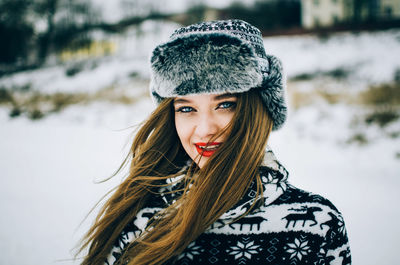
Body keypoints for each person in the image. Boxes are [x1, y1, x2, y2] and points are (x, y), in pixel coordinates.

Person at [78, 19, 351, 265]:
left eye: (225, 105)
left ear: (257, 109)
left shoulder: (317, 225)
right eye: (186, 109)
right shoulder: (140, 217)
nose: (205, 130)